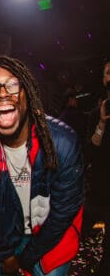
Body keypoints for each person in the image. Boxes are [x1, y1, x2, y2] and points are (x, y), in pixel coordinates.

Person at [0, 55, 84, 275]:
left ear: (27, 94)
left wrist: (25, 260)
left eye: (13, 84)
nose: (2, 93)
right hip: (9, 234)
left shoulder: (62, 143)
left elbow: (63, 214)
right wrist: (6, 255)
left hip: (52, 237)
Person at [83, 59, 110, 275]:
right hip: (100, 189)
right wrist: (101, 124)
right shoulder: (95, 114)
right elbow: (90, 151)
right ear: (104, 79)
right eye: (109, 72)